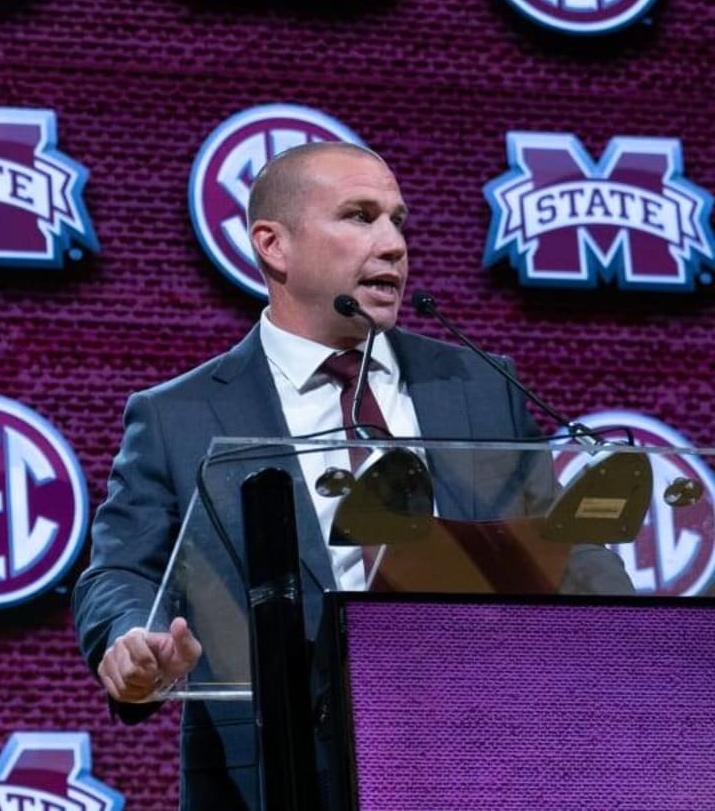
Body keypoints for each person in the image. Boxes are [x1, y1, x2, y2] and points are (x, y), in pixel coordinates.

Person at [72, 142, 630, 810]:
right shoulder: (177, 416)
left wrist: (640, 641)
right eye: (361, 217)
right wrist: (132, 640)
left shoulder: (479, 386)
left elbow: (563, 548)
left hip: (489, 765)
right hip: (277, 779)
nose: (393, 244)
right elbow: (120, 572)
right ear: (273, 246)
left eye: (399, 221)